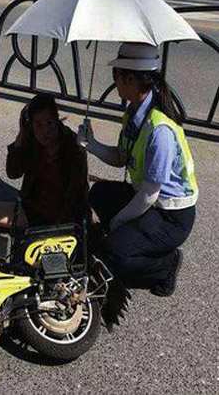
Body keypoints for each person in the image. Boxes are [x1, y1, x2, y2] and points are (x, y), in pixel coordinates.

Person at [78, 42, 198, 298]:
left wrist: (121, 221)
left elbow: (150, 194)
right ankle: (133, 240)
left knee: (113, 252)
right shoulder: (134, 111)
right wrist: (92, 145)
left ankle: (165, 267)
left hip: (170, 216)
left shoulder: (159, 131)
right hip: (145, 198)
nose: (115, 83)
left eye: (117, 77)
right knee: (98, 192)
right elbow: (122, 158)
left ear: (130, 78)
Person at [0, 93, 89, 230]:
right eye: (38, 125)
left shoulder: (73, 147)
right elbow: (13, 173)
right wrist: (20, 139)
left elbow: (74, 194)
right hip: (31, 212)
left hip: (64, 220)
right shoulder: (31, 141)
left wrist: (54, 229)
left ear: (57, 120)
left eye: (50, 123)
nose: (45, 131)